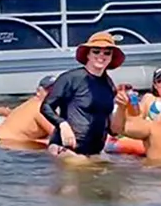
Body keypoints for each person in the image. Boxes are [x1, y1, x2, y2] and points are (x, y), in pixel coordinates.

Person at [40, 31, 127, 161]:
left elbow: (114, 131)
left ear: (111, 57)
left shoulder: (109, 86)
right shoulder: (70, 78)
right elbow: (46, 107)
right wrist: (62, 124)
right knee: (83, 168)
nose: (101, 56)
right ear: (88, 54)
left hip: (95, 152)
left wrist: (122, 108)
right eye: (96, 51)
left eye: (107, 53)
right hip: (66, 149)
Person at [0, 75, 58, 144]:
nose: (53, 94)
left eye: (56, 90)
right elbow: (60, 136)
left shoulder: (30, 103)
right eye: (48, 90)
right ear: (38, 91)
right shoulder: (42, 108)